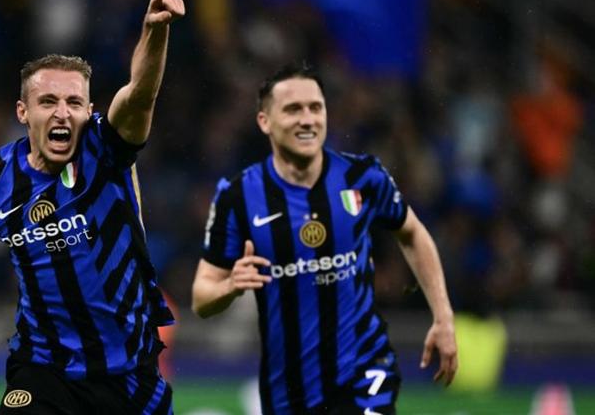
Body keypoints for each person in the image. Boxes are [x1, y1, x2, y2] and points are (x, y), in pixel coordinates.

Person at [0, 0, 184, 414]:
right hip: (44, 372)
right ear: (23, 112)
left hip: (131, 375)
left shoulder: (106, 148)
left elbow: (139, 93)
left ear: (88, 110)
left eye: (74, 102)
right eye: (48, 101)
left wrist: (154, 33)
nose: (63, 113)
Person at [191, 63, 457, 414]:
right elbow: (200, 296)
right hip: (288, 390)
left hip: (365, 369)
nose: (307, 119)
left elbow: (412, 233)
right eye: (293, 109)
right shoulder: (238, 197)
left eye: (316, 108)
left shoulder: (363, 177)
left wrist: (443, 317)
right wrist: (230, 287)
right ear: (264, 122)